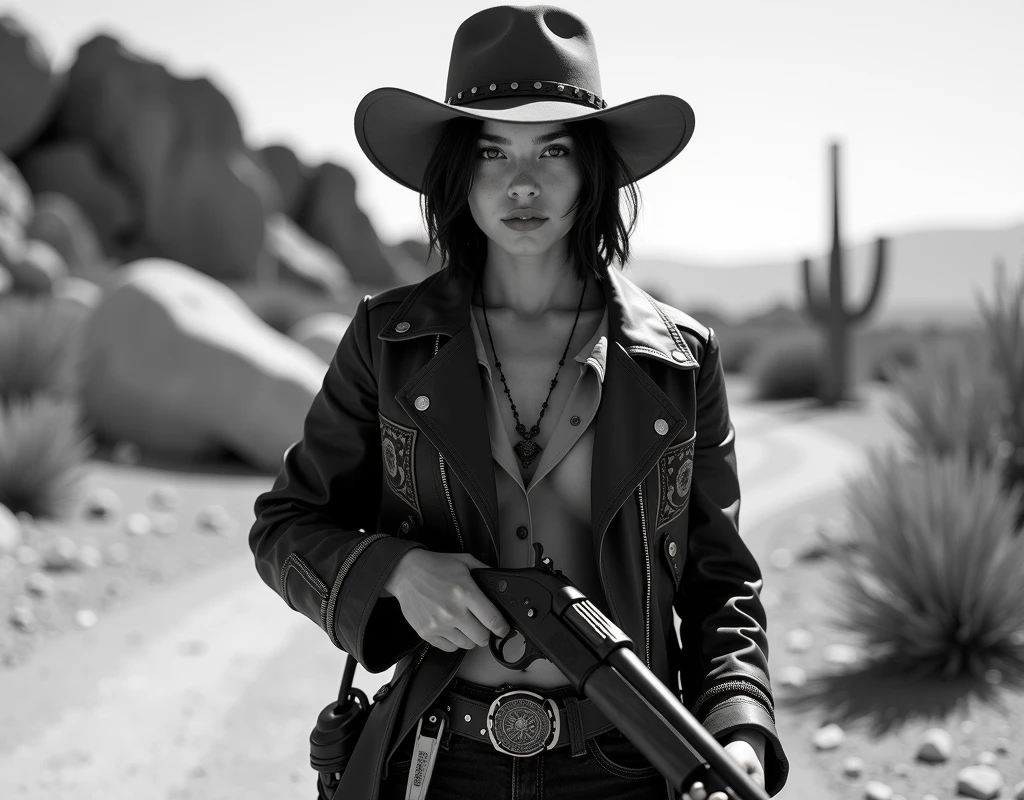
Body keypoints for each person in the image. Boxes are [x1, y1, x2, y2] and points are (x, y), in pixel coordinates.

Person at [248, 5, 790, 799]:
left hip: (629, 766)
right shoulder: (387, 341)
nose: (523, 184)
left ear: (594, 169)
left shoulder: (678, 360)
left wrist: (738, 730)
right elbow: (285, 529)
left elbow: (721, 586)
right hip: (440, 760)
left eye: (555, 150)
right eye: (493, 151)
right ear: (458, 172)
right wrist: (398, 571)